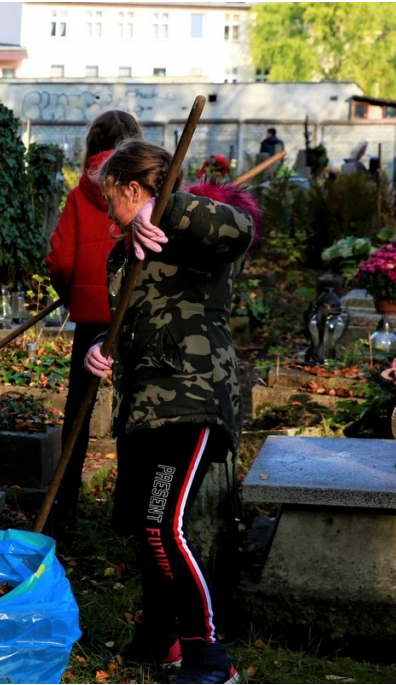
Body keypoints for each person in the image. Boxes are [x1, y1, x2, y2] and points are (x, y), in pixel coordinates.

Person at [84, 138, 259, 684]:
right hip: (145, 410)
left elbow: (241, 229)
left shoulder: (192, 232)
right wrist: (100, 349)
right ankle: (160, 639)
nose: (108, 208)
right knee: (148, 525)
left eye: (112, 196)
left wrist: (165, 210)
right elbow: (134, 328)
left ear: (133, 189)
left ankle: (208, 657)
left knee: (166, 524)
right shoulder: (124, 254)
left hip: (192, 402)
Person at [44, 109, 141, 536]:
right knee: (137, 411)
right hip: (138, 315)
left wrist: (74, 295)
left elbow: (61, 260)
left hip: (90, 320)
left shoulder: (80, 193)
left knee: (78, 416)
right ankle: (131, 514)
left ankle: (64, 511)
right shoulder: (147, 187)